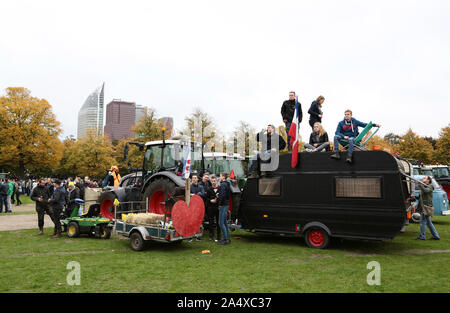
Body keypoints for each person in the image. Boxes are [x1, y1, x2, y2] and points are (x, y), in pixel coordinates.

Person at [416, 176, 440, 240]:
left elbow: (426, 191)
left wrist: (420, 184)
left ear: (428, 180)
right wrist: (415, 198)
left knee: (422, 222)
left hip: (426, 207)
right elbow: (422, 196)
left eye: (424, 178)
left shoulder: (430, 186)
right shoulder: (424, 186)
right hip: (423, 206)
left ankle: (422, 236)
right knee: (429, 223)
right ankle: (436, 236)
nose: (423, 179)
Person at [205, 175, 221, 242]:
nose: (213, 182)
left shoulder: (220, 189)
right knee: (211, 222)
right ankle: (211, 236)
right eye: (212, 181)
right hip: (211, 208)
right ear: (211, 182)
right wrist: (210, 201)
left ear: (217, 181)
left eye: (214, 181)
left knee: (218, 222)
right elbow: (206, 199)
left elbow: (222, 198)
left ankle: (219, 235)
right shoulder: (209, 189)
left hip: (217, 207)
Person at [217, 172, 231, 245]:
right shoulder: (228, 184)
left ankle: (226, 239)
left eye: (220, 176)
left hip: (223, 205)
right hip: (227, 204)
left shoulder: (222, 185)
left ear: (223, 177)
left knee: (221, 223)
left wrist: (219, 203)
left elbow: (222, 195)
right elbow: (227, 195)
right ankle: (227, 238)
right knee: (224, 222)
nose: (219, 177)